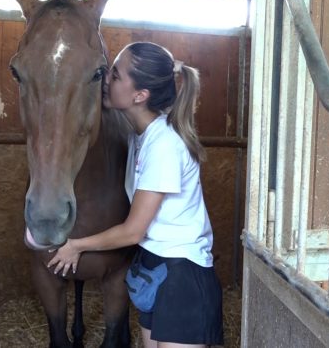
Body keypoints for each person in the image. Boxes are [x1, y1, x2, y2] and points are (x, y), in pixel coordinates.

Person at [47, 41, 224, 348]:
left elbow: (133, 231)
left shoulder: (164, 146)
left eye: (115, 75)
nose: (106, 80)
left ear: (140, 96)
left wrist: (76, 245)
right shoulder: (142, 135)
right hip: (155, 266)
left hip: (182, 275)